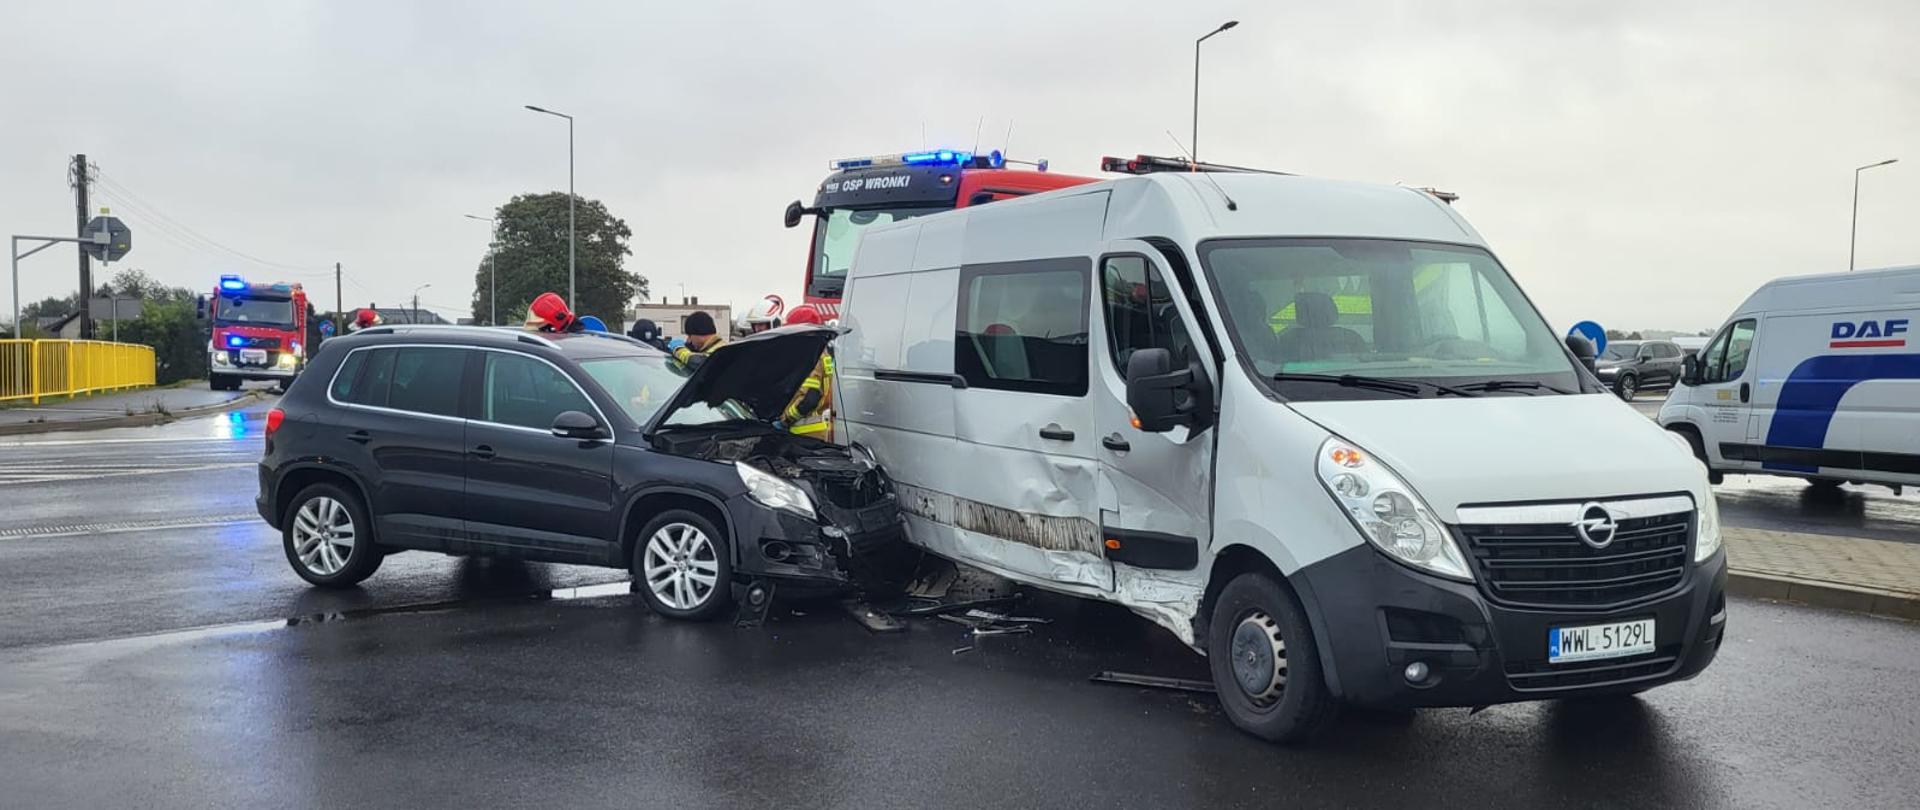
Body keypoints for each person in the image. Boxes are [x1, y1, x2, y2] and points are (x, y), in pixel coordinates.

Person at [778, 305, 834, 439]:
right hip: (817, 430)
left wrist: (785, 420)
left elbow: (809, 399)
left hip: (803, 433)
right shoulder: (823, 354)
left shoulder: (811, 358)